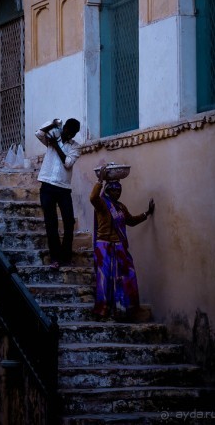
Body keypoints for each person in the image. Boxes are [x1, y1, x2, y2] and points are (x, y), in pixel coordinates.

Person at [90, 165, 155, 321]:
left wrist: (147, 213)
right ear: (107, 191)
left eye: (119, 190)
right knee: (104, 279)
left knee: (127, 275)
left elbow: (130, 221)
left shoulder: (120, 207)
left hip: (119, 246)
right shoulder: (101, 204)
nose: (117, 193)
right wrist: (100, 180)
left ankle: (124, 309)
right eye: (113, 190)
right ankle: (103, 310)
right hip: (104, 246)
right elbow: (92, 197)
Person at [35, 118, 81, 269]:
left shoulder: (75, 147)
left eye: (72, 133)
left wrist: (56, 146)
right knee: (51, 223)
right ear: (64, 128)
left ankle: (65, 256)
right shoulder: (54, 135)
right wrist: (53, 124)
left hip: (63, 188)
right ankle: (55, 258)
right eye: (68, 131)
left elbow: (68, 163)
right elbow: (39, 133)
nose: (69, 135)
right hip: (47, 185)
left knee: (69, 222)